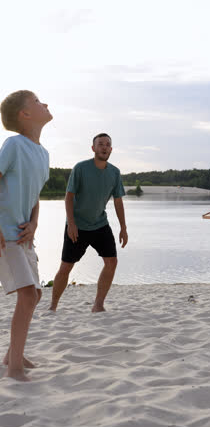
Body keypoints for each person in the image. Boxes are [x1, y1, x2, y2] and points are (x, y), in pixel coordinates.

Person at [0, 90, 52, 381]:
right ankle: (14, 368)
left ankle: (12, 354)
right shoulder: (14, 144)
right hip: (5, 234)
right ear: (25, 114)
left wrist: (33, 223)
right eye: (36, 101)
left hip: (24, 235)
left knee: (35, 294)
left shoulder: (43, 153)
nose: (44, 103)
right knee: (27, 293)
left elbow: (35, 197)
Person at [49, 133, 128, 313]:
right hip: (77, 226)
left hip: (100, 224)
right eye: (100, 144)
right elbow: (69, 197)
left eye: (108, 144)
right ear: (93, 148)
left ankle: (98, 305)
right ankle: (53, 306)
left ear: (111, 149)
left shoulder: (114, 172)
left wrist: (123, 228)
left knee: (112, 262)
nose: (104, 147)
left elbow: (118, 201)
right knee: (66, 266)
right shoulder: (81, 168)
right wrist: (71, 223)